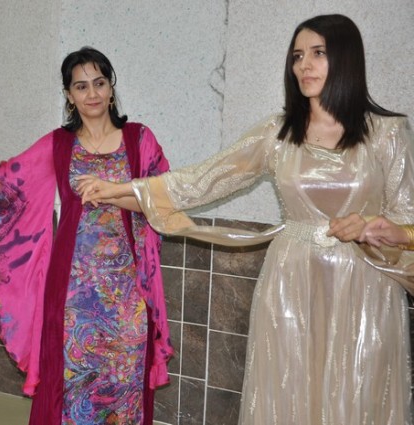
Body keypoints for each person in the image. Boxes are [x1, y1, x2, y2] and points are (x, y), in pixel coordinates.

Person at [78, 15, 414, 424]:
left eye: (318, 53)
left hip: (364, 284)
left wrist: (385, 229)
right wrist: (120, 189)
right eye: (297, 56)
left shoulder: (387, 133)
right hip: (292, 281)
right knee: (289, 389)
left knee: (358, 391)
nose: (304, 66)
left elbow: (407, 220)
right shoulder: (279, 134)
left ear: (347, 59)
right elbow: (204, 180)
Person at [0, 47, 173, 424]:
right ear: (69, 95)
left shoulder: (139, 139)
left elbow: (162, 201)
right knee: (74, 392)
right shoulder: (60, 145)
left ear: (111, 88)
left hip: (128, 294)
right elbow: (3, 176)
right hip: (72, 294)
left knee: (124, 387)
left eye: (99, 83)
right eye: (81, 86)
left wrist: (110, 192)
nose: (92, 93)